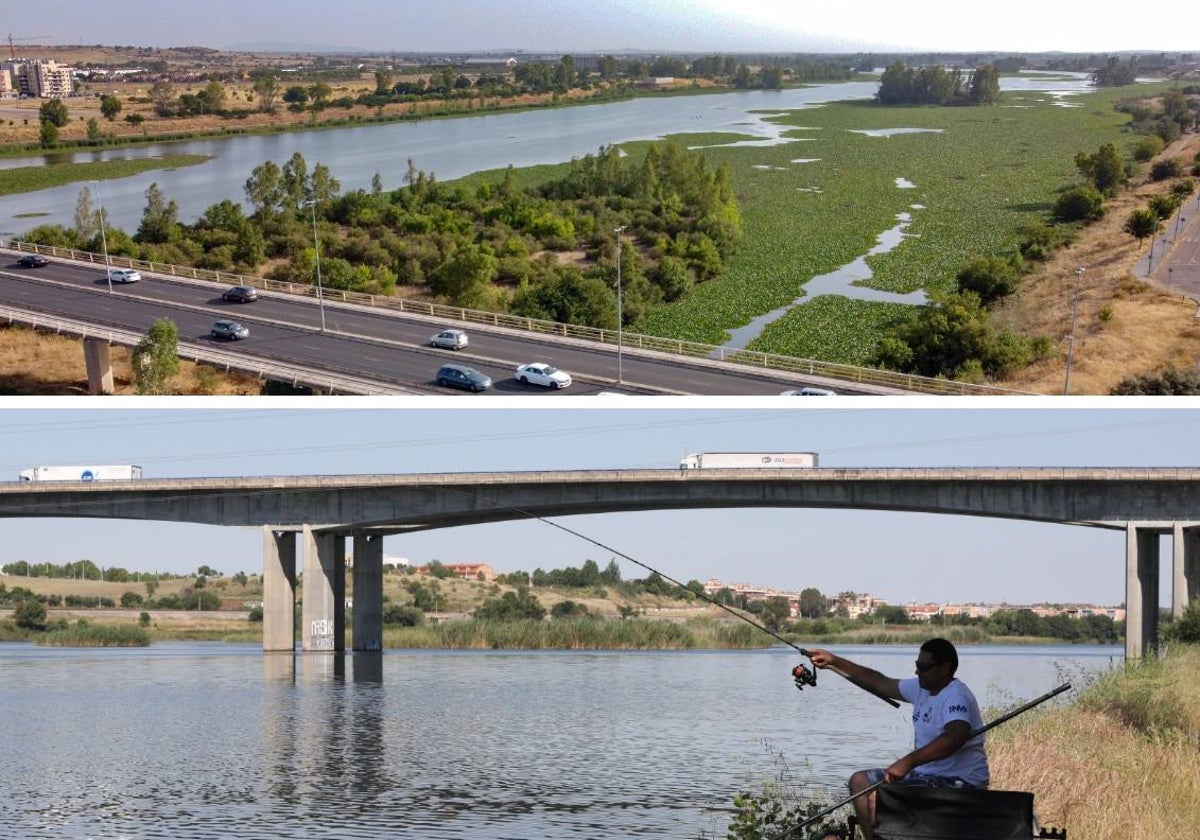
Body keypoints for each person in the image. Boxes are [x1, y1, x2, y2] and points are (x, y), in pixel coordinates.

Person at [806, 638, 988, 840]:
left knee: (880, 797)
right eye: (917, 665)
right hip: (925, 776)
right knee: (859, 781)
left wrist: (907, 762)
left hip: (959, 780)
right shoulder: (922, 687)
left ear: (945, 668)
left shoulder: (957, 695)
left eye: (924, 667)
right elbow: (879, 682)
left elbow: (956, 736)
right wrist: (834, 662)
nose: (918, 672)